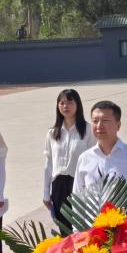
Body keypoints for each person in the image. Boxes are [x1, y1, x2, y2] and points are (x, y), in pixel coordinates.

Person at [73, 100, 127, 217]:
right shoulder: (84, 159)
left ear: (118, 125)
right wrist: (80, 228)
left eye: (105, 120)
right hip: (93, 227)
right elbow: (78, 199)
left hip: (125, 226)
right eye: (95, 121)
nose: (99, 125)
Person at [42, 88, 95, 231]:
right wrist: (46, 192)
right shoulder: (52, 133)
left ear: (78, 104)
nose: (65, 106)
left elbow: (94, 161)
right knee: (64, 229)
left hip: (80, 185)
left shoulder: (89, 130)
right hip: (58, 186)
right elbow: (48, 163)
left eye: (70, 102)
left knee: (82, 229)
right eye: (62, 103)